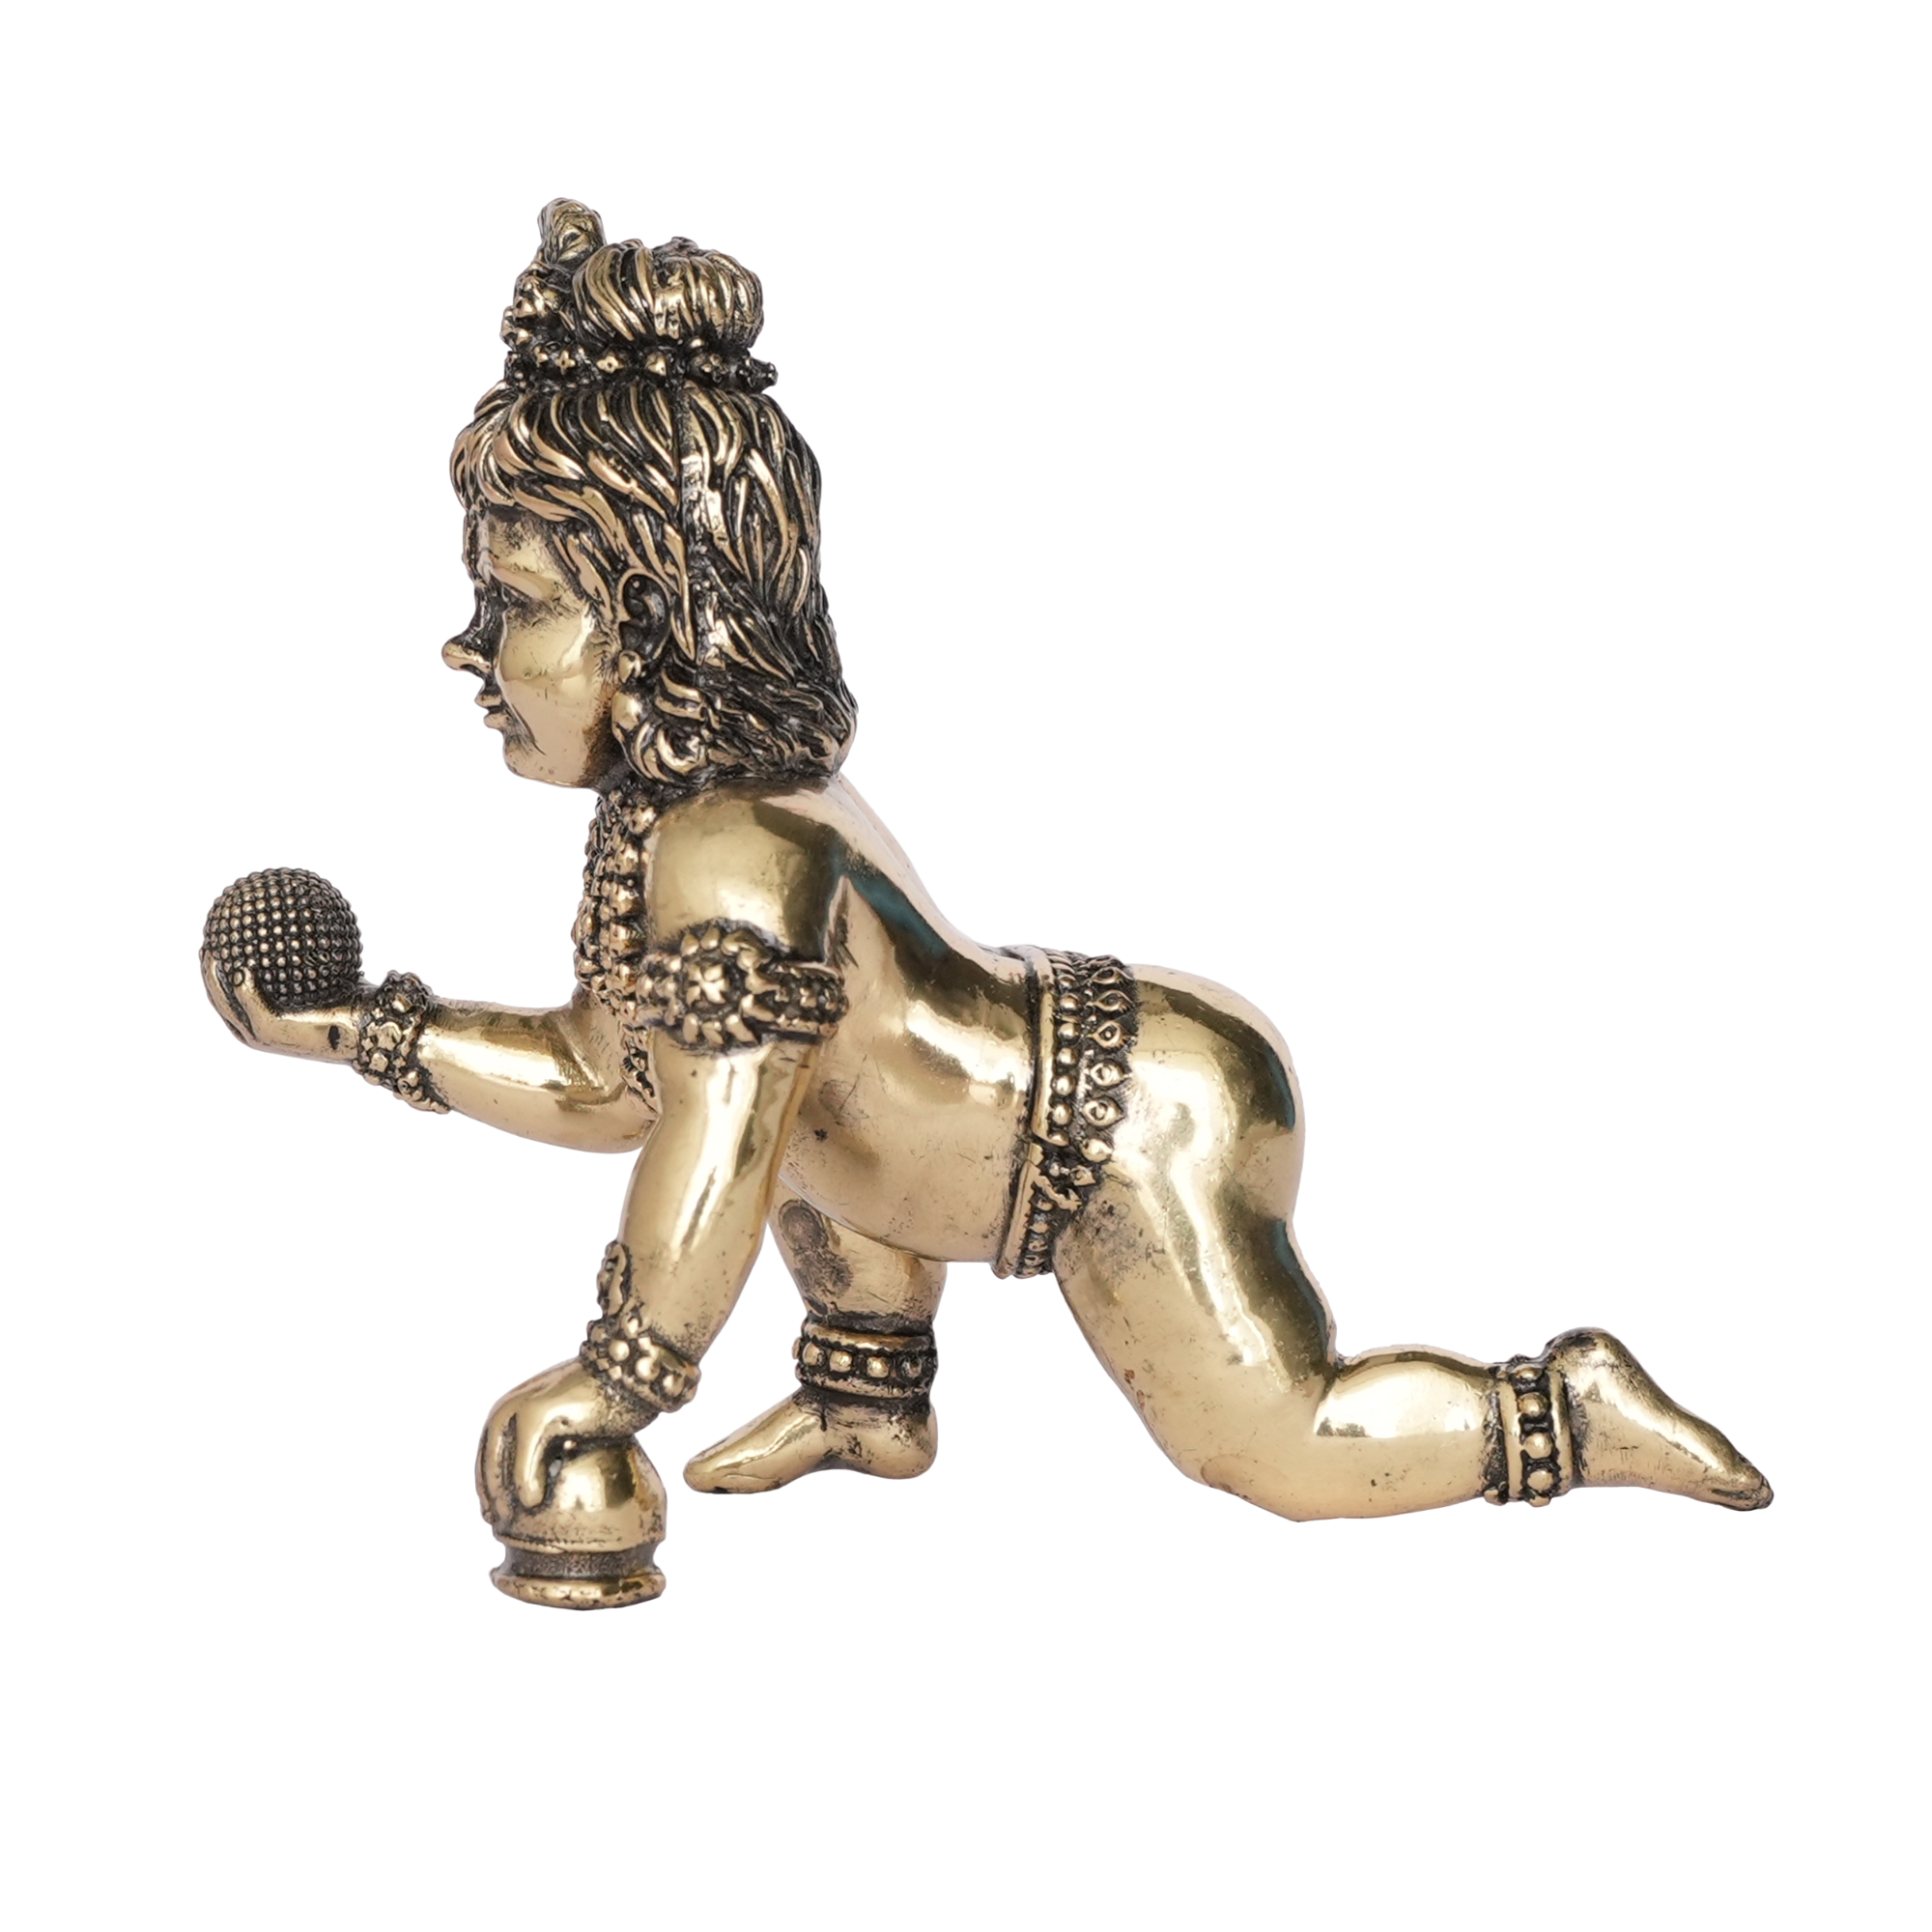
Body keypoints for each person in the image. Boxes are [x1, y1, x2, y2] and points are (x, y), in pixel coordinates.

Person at [202, 200, 1771, 1608]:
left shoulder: (733, 856)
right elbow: (612, 1078)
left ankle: (1559, 1407)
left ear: (662, 624)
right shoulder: (689, 818)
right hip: (1013, 1089)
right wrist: (354, 1030)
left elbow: (705, 1160)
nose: (470, 647)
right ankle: (866, 1398)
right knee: (803, 1096)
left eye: (517, 604)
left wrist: (613, 1389)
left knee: (1273, 1446)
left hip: (1131, 1128)